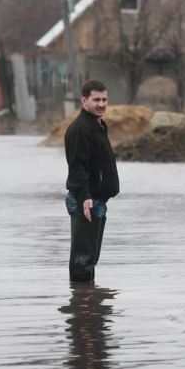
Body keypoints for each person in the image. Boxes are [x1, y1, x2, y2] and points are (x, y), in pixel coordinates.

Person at [64, 80, 120, 282]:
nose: (101, 104)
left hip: (97, 201)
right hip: (86, 202)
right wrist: (85, 197)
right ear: (84, 100)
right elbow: (77, 166)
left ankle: (88, 305)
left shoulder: (98, 125)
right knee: (83, 262)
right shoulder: (80, 128)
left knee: (89, 260)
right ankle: (81, 308)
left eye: (104, 99)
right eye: (96, 99)